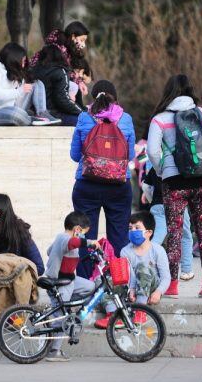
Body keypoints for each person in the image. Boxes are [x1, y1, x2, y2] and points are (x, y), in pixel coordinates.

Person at [147, 74, 202, 299]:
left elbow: (152, 151)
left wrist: (162, 170)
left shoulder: (159, 118)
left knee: (175, 234)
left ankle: (173, 285)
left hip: (174, 182)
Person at [70, 80, 136, 278]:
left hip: (87, 186)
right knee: (118, 238)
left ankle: (85, 286)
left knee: (85, 237)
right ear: (115, 98)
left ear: (93, 97)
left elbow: (74, 155)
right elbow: (130, 155)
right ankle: (118, 283)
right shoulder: (126, 119)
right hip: (118, 186)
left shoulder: (83, 117)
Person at [95, 211, 171, 329]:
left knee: (142, 267)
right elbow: (129, 274)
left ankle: (141, 311)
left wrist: (158, 292)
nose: (133, 231)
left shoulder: (158, 250)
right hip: (131, 287)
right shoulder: (125, 251)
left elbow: (166, 276)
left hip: (151, 287)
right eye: (130, 228)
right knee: (103, 281)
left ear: (149, 232)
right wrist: (132, 289)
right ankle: (114, 316)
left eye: (137, 228)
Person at [43, 211, 97, 362]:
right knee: (61, 318)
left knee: (91, 286)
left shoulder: (61, 238)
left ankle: (64, 306)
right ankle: (55, 351)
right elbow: (72, 243)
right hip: (60, 282)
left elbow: (49, 251)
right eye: (84, 234)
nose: (83, 237)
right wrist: (90, 242)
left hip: (70, 280)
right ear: (77, 230)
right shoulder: (67, 238)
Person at [0, 42, 61, 126]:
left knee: (36, 84)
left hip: (10, 107)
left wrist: (23, 82)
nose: (23, 65)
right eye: (23, 61)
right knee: (16, 114)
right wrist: (19, 91)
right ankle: (33, 119)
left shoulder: (8, 69)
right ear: (14, 59)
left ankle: (42, 114)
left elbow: (19, 91)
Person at [143, 166, 195, 281]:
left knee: (158, 236)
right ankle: (186, 270)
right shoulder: (180, 165)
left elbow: (146, 186)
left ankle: (145, 263)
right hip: (179, 205)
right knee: (185, 236)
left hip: (158, 205)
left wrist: (152, 200)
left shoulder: (156, 167)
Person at [30, 44, 83, 126]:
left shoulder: (33, 71)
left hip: (35, 115)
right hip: (54, 115)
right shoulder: (60, 72)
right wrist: (82, 112)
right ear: (60, 56)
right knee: (86, 122)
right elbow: (62, 99)